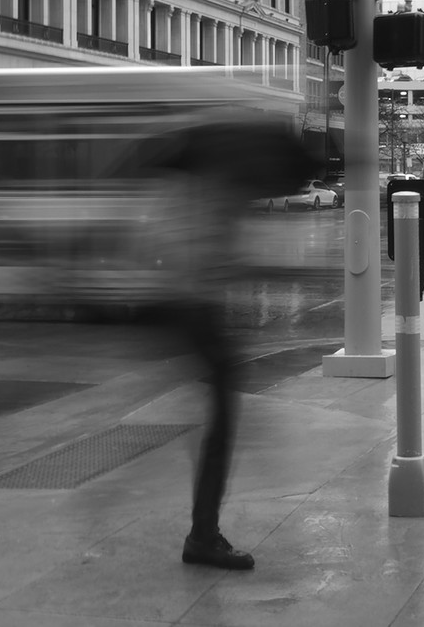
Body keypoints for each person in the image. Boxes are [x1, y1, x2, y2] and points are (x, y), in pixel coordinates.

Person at [140, 167, 255, 571]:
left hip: (194, 307)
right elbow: (183, 253)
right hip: (190, 308)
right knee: (222, 413)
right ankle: (202, 536)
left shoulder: (196, 187)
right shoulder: (192, 190)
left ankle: (203, 532)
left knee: (221, 411)